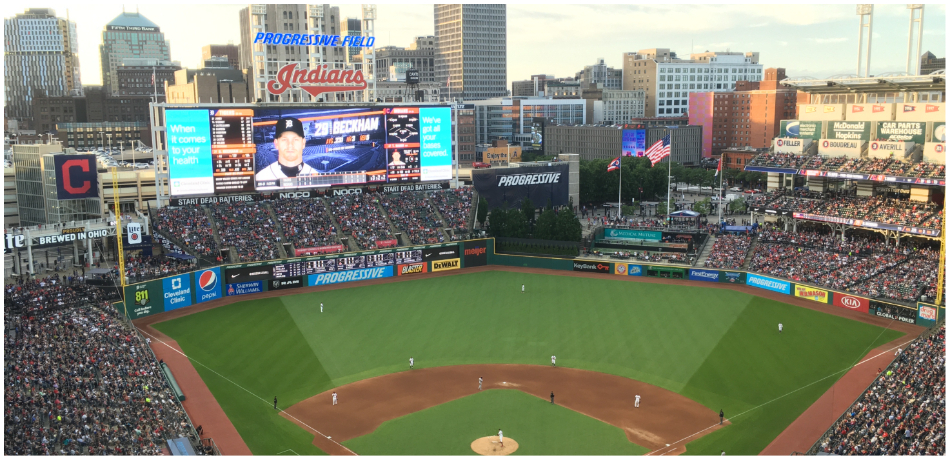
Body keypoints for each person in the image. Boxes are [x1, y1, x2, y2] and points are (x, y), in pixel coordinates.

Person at [256, 117, 317, 181]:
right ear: (276, 143)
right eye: (284, 139)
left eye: (295, 139)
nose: (290, 144)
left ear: (303, 143)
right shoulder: (260, 178)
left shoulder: (316, 178)